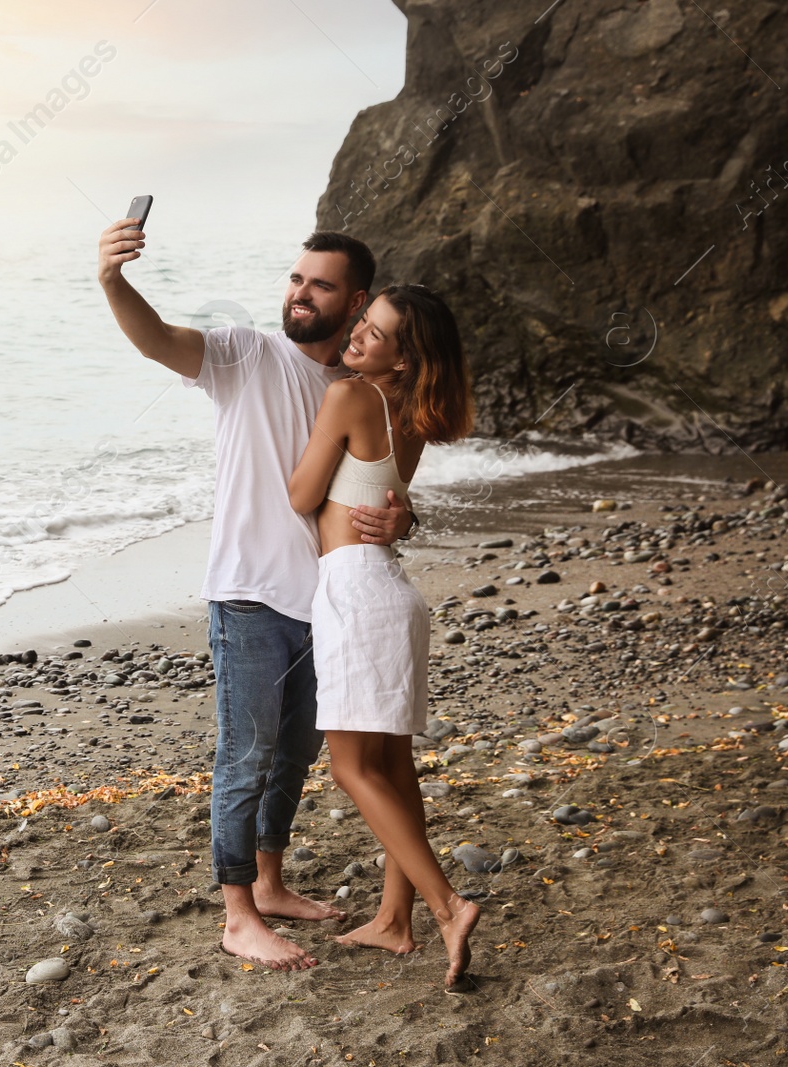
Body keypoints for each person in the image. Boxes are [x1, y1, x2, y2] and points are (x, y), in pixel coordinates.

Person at [97, 220, 414, 970]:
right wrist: (113, 281)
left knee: (297, 751)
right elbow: (156, 339)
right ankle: (238, 913)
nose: (300, 294)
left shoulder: (361, 389)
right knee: (246, 754)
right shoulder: (246, 352)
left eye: (321, 285)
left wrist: (404, 512)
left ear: (356, 300)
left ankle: (269, 881)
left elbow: (382, 487)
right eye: (296, 279)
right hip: (249, 592)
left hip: (330, 598)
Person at [287, 283, 477, 988]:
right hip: (392, 592)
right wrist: (407, 519)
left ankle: (448, 904)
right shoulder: (417, 414)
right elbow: (391, 501)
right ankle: (394, 919)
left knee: (351, 768)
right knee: (394, 767)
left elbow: (302, 496)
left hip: (356, 594)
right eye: (362, 321)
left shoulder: (348, 398)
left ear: (405, 356)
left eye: (378, 332)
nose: (360, 335)